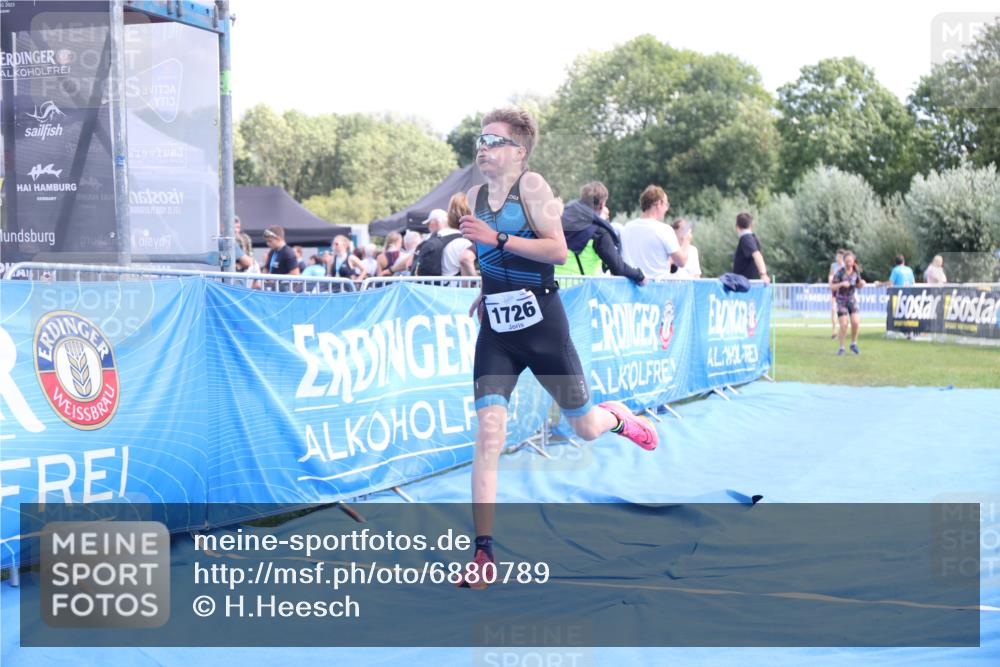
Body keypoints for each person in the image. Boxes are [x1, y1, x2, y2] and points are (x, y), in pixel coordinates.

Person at [456, 108, 658, 589]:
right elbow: (492, 257)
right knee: (488, 435)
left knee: (585, 428)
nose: (483, 146)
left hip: (543, 327)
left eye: (494, 140)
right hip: (499, 333)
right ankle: (484, 554)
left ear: (519, 152)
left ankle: (616, 417)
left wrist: (498, 238)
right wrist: (488, 291)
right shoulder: (477, 196)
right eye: (480, 139)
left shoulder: (534, 187)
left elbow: (557, 251)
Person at [556, 181, 644, 283]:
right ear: (602, 205)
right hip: (579, 290)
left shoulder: (559, 221)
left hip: (553, 287)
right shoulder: (599, 232)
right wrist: (639, 275)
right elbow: (618, 268)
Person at [620, 186, 688, 280]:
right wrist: (686, 240)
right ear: (659, 203)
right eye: (666, 204)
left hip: (631, 287)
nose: (667, 209)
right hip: (656, 289)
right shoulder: (664, 230)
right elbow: (682, 262)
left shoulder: (626, 228)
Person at [830, 251, 866, 355]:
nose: (849, 263)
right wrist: (841, 284)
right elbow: (832, 286)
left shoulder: (856, 271)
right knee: (844, 324)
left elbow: (858, 285)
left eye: (850, 261)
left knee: (855, 322)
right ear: (844, 261)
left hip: (852, 299)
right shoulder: (840, 272)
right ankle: (841, 348)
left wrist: (861, 284)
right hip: (841, 300)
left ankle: (853, 344)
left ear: (853, 261)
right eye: (847, 261)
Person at [732, 212, 770, 284]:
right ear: (751, 225)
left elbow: (757, 255)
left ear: (737, 227)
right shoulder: (752, 238)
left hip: (745, 285)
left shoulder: (746, 238)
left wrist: (763, 274)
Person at [827, 250, 845, 338]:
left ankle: (842, 330)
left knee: (844, 311)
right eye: (837, 256)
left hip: (845, 291)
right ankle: (834, 331)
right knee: (834, 309)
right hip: (835, 290)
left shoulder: (847, 266)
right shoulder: (833, 266)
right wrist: (830, 283)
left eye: (839, 256)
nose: (837, 258)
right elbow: (830, 276)